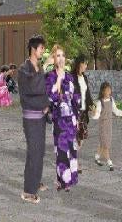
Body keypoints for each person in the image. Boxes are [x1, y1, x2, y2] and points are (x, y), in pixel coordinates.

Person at [18, 35, 49, 204]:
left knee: (39, 151)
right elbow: (34, 87)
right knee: (34, 153)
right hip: (31, 118)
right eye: (42, 48)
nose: (43, 51)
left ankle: (35, 181)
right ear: (33, 49)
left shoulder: (38, 67)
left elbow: (44, 89)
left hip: (41, 117)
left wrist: (47, 105)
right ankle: (28, 191)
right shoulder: (25, 68)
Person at [45, 44, 80, 191]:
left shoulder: (70, 76)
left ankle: (68, 180)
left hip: (71, 118)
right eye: (57, 55)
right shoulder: (50, 76)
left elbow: (76, 98)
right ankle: (63, 180)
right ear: (53, 59)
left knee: (71, 149)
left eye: (62, 55)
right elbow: (50, 97)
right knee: (61, 149)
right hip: (59, 118)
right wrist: (58, 81)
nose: (61, 58)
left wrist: (77, 118)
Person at [91, 81, 122, 171]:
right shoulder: (99, 102)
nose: (109, 91)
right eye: (107, 90)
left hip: (109, 125)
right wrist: (94, 113)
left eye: (110, 90)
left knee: (103, 143)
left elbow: (115, 110)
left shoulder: (111, 99)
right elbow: (97, 116)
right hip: (103, 126)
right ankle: (110, 163)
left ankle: (96, 157)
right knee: (105, 145)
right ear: (103, 91)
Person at [72, 54, 93, 167]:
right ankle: (74, 162)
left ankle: (73, 158)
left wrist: (92, 105)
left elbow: (87, 93)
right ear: (79, 63)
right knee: (75, 137)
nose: (86, 65)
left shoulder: (84, 77)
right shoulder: (71, 77)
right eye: (84, 63)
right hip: (75, 111)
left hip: (84, 112)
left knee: (82, 137)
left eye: (86, 63)